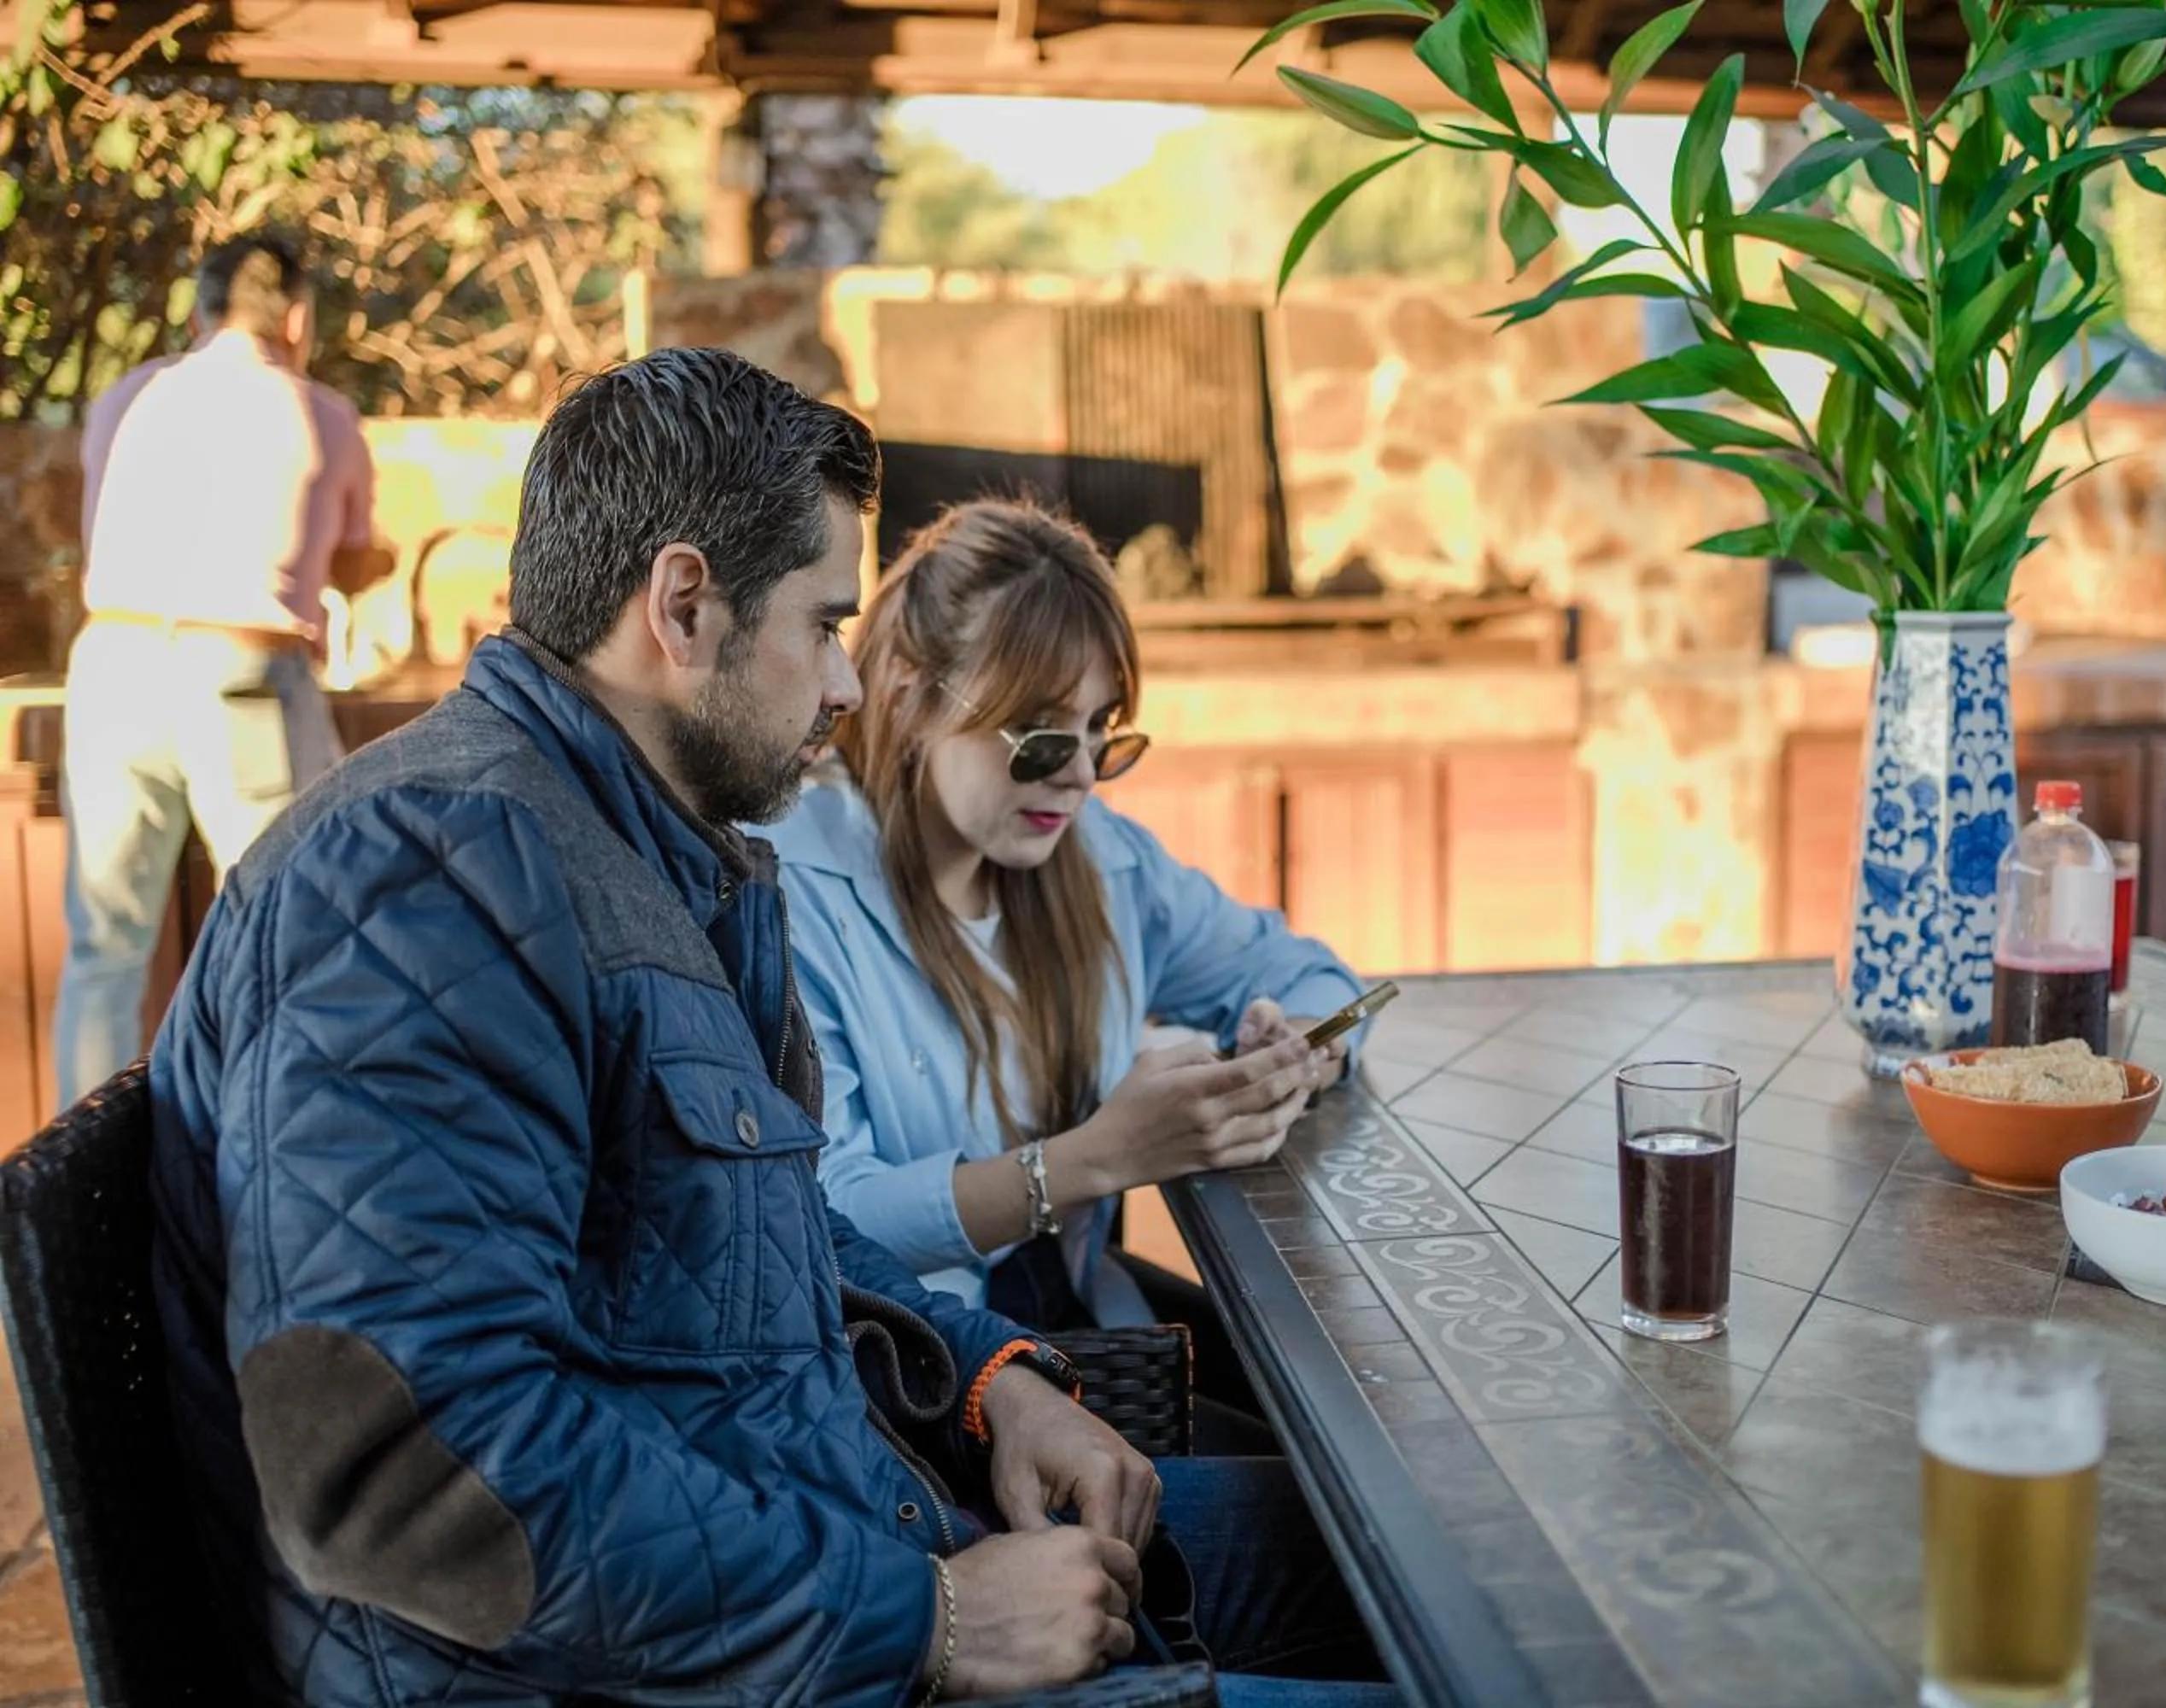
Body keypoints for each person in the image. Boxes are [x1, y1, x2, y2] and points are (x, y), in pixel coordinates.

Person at [149, 348, 1396, 1706]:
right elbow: (405, 1474)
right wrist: (925, 1622)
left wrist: (990, 1385)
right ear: (684, 606)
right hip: (719, 1658)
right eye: (822, 623)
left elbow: (769, 1240)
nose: (851, 686)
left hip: (845, 1534)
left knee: (1396, 1554)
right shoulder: (424, 881)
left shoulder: (642, 856)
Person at [764, 500, 1364, 1371]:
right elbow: (832, 1221)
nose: (1082, 775)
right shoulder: (797, 889)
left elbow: (1307, 970)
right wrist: (1093, 1159)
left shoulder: (1097, 858)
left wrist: (1300, 1049)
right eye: (1043, 734)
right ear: (912, 691)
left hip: (1088, 1340)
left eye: (1102, 732)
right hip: (915, 1388)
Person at [53, 229, 389, 1109]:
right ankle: (275, 1149)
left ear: (199, 313)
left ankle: (69, 1195)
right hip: (241, 668)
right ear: (297, 316)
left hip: (116, 661)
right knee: (287, 933)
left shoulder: (126, 397)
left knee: (105, 944)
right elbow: (346, 563)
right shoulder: (318, 414)